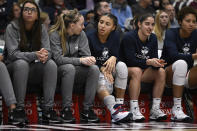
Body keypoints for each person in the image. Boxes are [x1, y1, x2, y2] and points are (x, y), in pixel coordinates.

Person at [5, 0, 62, 124]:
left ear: (37, 15)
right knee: (22, 63)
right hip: (12, 68)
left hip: (33, 67)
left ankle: (48, 108)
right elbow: (13, 54)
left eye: (32, 10)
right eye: (26, 9)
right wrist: (34, 55)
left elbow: (48, 51)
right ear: (21, 13)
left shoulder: (41, 27)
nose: (29, 12)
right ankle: (19, 109)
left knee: (51, 64)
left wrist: (44, 55)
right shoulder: (12, 27)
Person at [49, 9, 100, 123]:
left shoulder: (81, 34)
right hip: (55, 71)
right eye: (81, 24)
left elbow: (86, 55)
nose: (83, 27)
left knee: (94, 69)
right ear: (72, 25)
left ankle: (87, 109)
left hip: (74, 68)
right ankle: (66, 109)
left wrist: (89, 59)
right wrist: (80, 60)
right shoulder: (55, 34)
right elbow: (58, 59)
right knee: (69, 68)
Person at [120, 13, 167, 122]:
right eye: (147, 24)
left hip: (142, 71)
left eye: (152, 24)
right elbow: (130, 61)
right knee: (136, 71)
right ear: (139, 24)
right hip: (124, 71)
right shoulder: (129, 37)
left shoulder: (153, 38)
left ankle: (155, 109)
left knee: (161, 72)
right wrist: (148, 62)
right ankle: (134, 109)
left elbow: (153, 58)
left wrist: (157, 62)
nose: (150, 27)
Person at [86, 13, 131, 123]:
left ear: (113, 27)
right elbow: (87, 59)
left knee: (122, 66)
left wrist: (114, 57)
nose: (102, 26)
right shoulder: (89, 36)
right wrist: (102, 68)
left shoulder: (116, 35)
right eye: (101, 22)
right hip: (95, 68)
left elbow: (118, 55)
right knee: (101, 81)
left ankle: (119, 107)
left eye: (107, 24)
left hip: (109, 68)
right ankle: (114, 110)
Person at [161, 6, 197, 122]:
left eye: (194, 21)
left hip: (187, 75)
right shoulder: (171, 32)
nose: (191, 24)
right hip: (168, 74)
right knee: (181, 63)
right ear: (180, 22)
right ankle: (176, 109)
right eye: (188, 21)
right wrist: (193, 56)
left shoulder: (196, 34)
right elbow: (173, 56)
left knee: (183, 64)